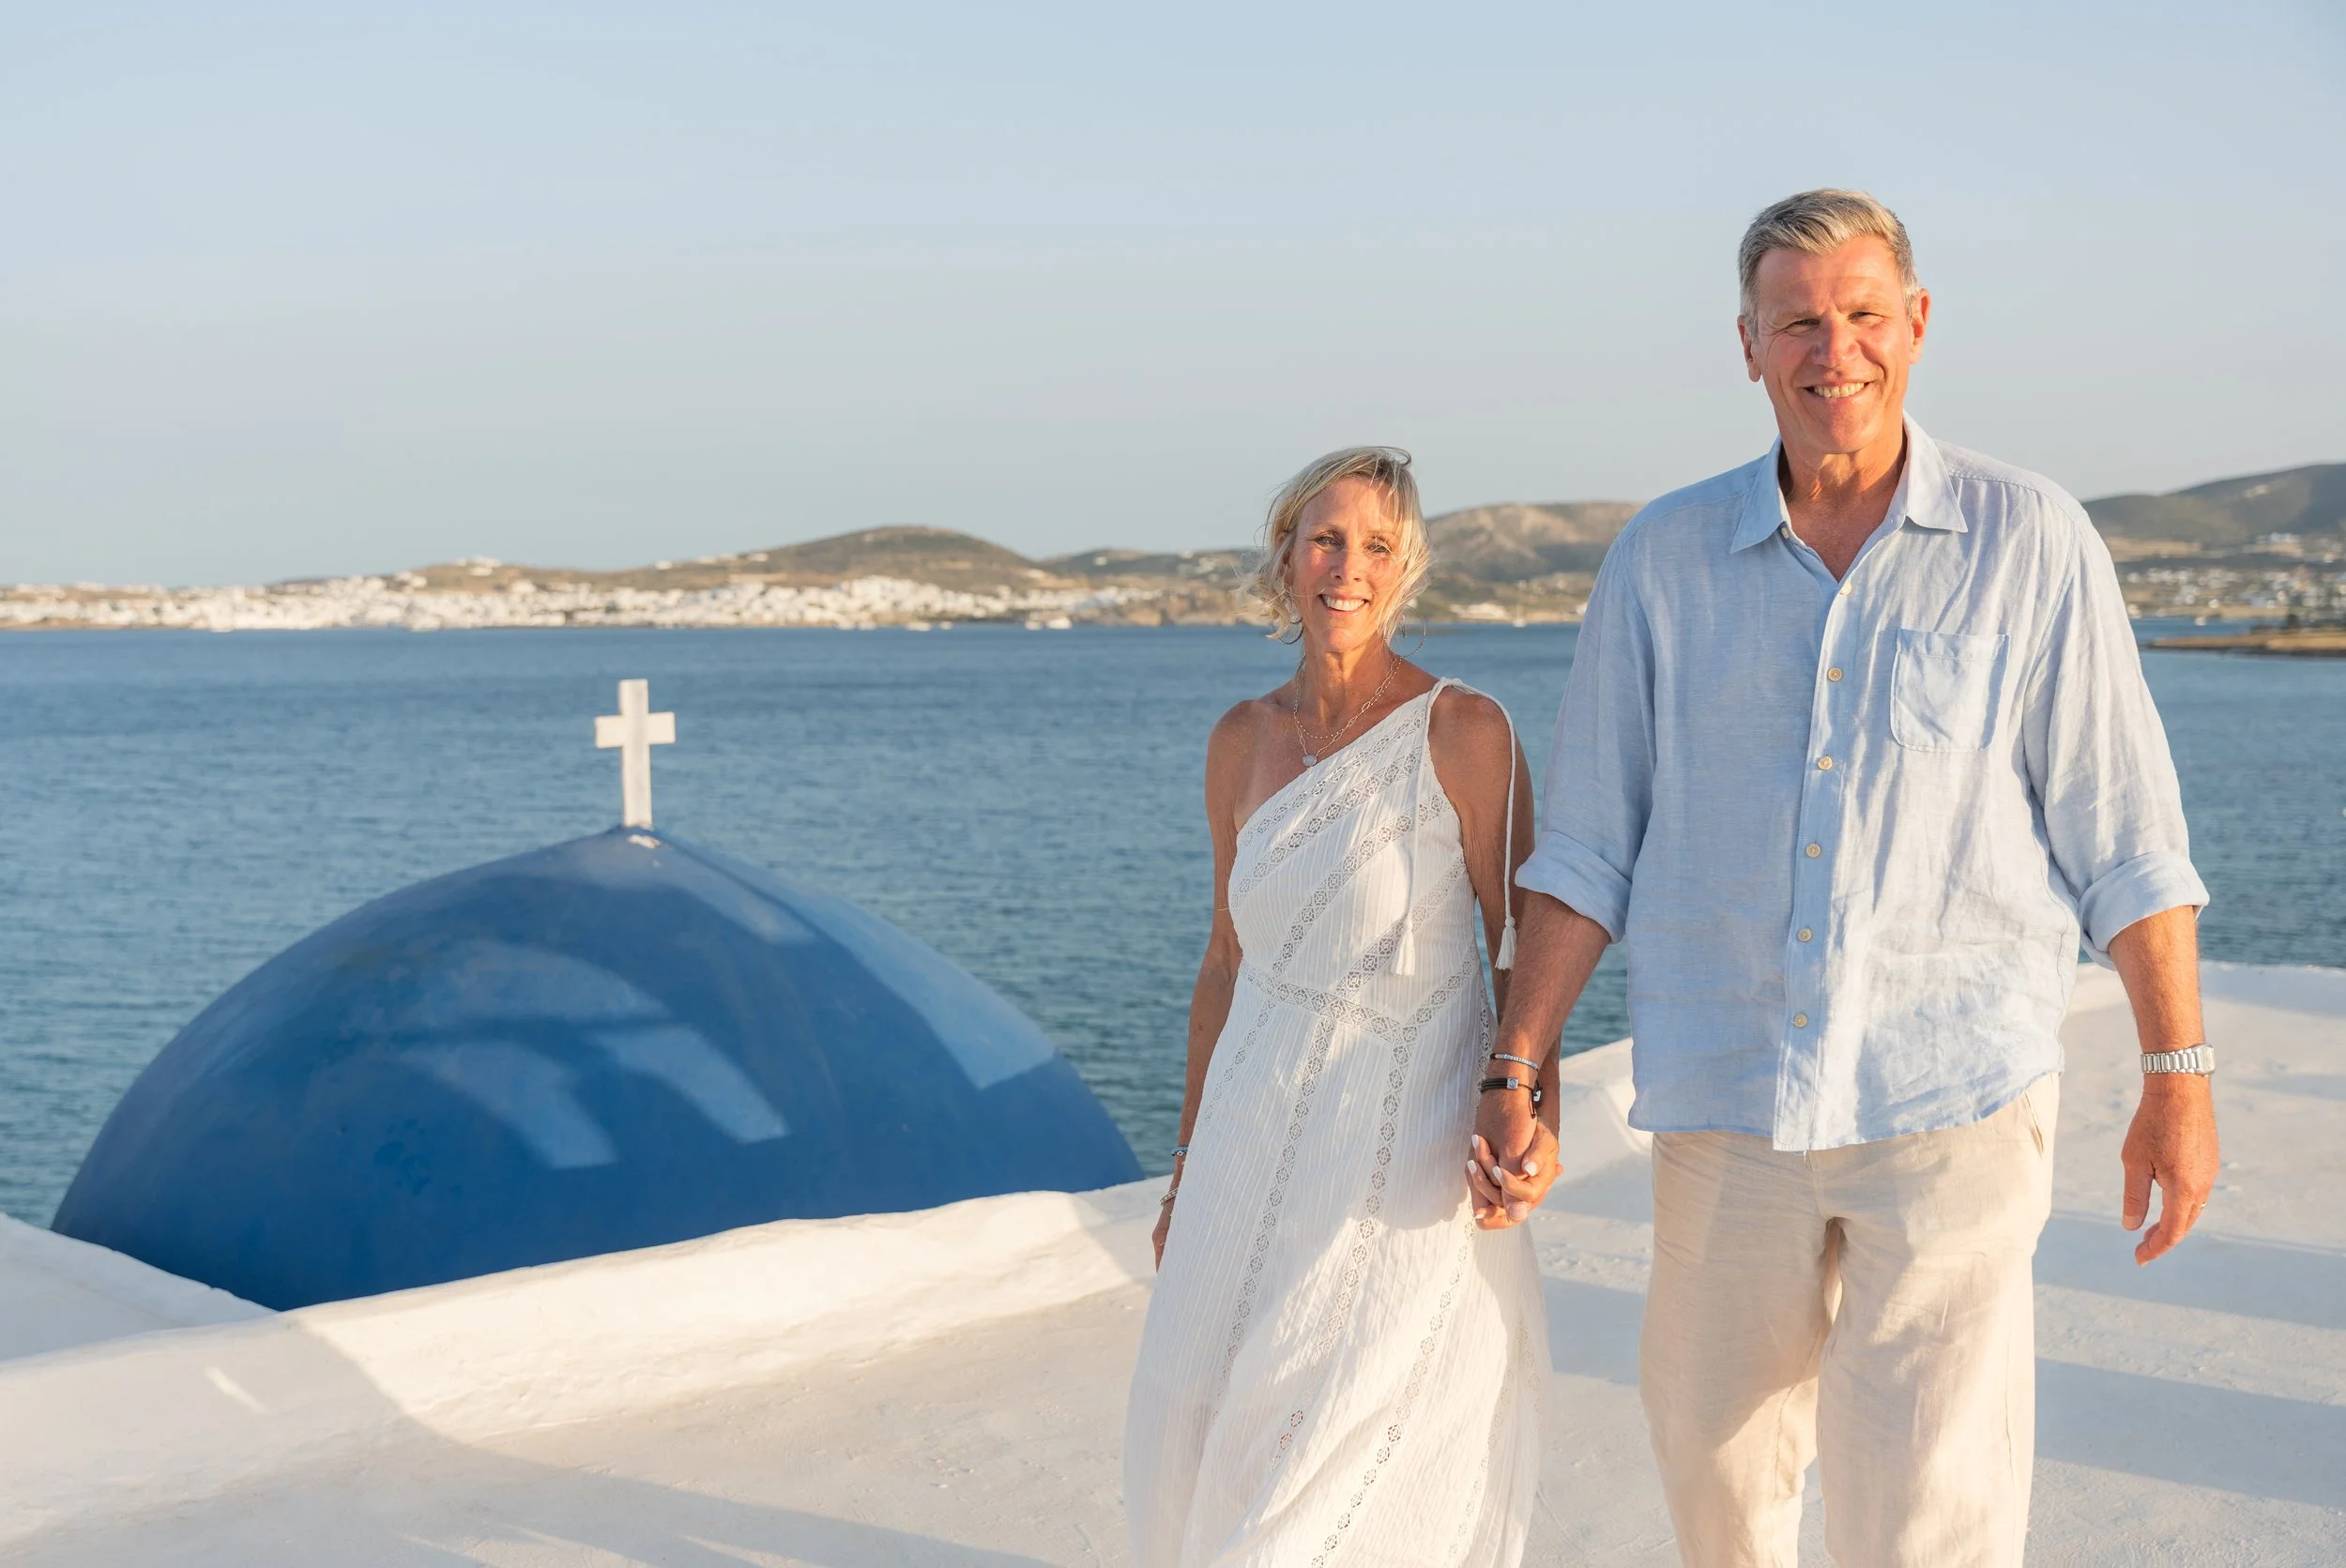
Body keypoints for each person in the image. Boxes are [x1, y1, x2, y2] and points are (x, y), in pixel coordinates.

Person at [1476, 190, 2219, 1567]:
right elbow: (1585, 843)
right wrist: (1518, 1061)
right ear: (1747, 345)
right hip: (1728, 1098)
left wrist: (2178, 1076)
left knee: (1928, 1509)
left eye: (1865, 315)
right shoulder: (1661, 559)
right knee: (1715, 1473)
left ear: (1918, 325)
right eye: (1801, 321)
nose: (1838, 351)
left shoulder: (2031, 539)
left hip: (1953, 1098)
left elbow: (2126, 837)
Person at [1124, 447, 1554, 1568]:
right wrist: (1184, 1166)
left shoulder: (1463, 730)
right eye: (1325, 539)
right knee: (1200, 1422)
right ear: (1284, 558)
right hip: (1247, 1142)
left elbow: (1522, 948)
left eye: (1374, 546)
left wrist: (1526, 1114)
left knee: (1341, 1459)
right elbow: (1223, 960)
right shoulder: (1238, 740)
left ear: (1405, 571)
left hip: (1394, 1152)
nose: (1345, 567)